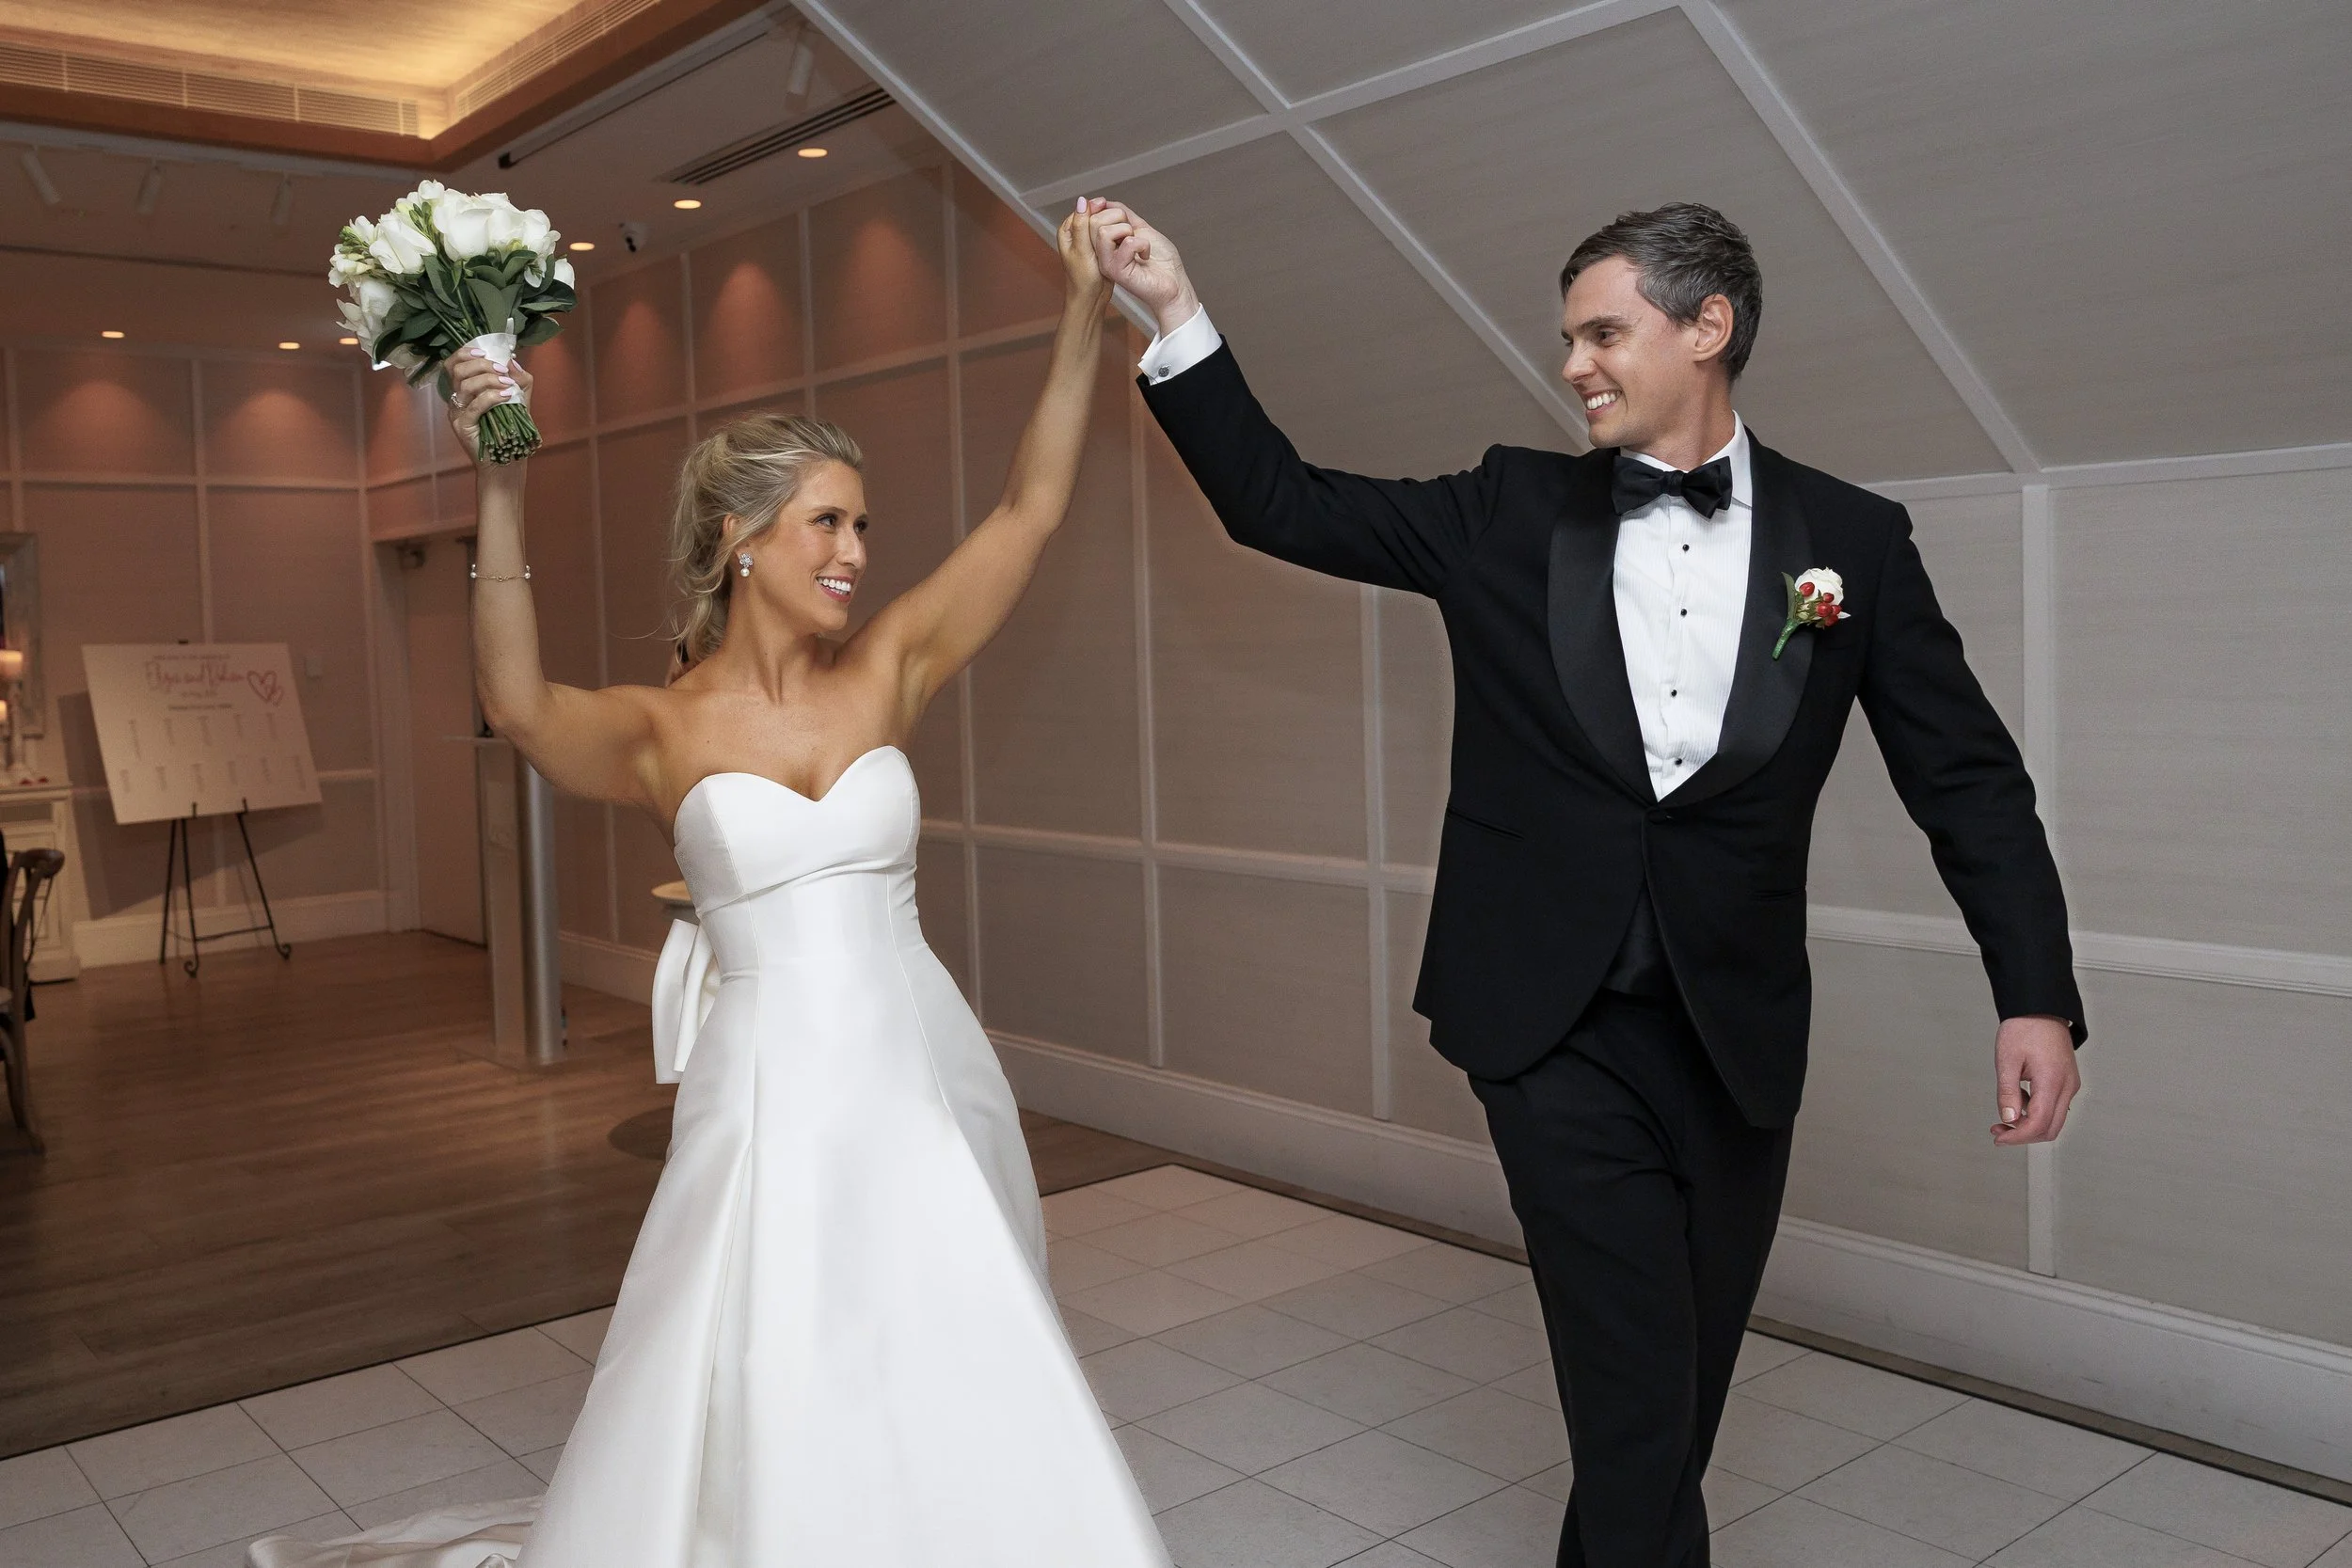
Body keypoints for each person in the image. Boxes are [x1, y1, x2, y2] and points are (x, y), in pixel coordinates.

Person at [1089, 198, 2085, 1568]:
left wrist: (2035, 995)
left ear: (1708, 327)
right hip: (1546, 1024)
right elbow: (1282, 504)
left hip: (1734, 1035)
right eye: (1570, 338)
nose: (1575, 364)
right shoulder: (1507, 509)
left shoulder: (1851, 544)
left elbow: (1967, 779)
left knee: (1676, 1404)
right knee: (1632, 1393)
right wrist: (1175, 308)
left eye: (1605, 331)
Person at [253, 204, 1168, 1568]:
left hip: (914, 1057)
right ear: (743, 538)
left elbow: (1031, 507)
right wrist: (498, 474)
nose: (854, 551)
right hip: (764, 1082)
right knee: (768, 1333)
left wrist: (1088, 309)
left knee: (950, 1312)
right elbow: (513, 697)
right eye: (825, 524)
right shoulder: (660, 730)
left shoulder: (893, 667)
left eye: (861, 522)